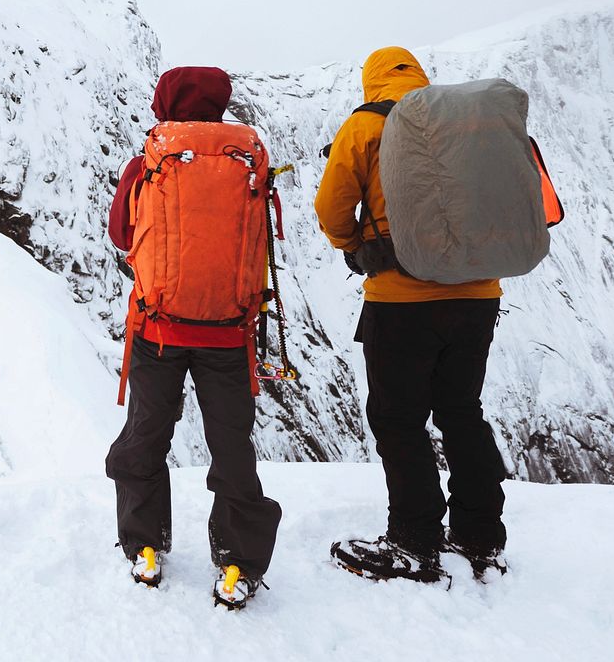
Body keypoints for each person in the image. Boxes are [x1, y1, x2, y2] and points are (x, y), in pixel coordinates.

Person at [314, 47, 507, 583]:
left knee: (399, 420)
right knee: (462, 411)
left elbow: (332, 207)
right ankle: (480, 535)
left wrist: (356, 246)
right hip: (478, 296)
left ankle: (414, 541)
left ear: (371, 81)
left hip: (401, 300)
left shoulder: (368, 124)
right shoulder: (469, 124)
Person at [105, 66, 281, 608]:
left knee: (146, 435)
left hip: (159, 330)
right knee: (231, 446)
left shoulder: (151, 159)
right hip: (228, 335)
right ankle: (238, 562)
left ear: (165, 103)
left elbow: (120, 233)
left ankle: (144, 543)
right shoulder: (245, 158)